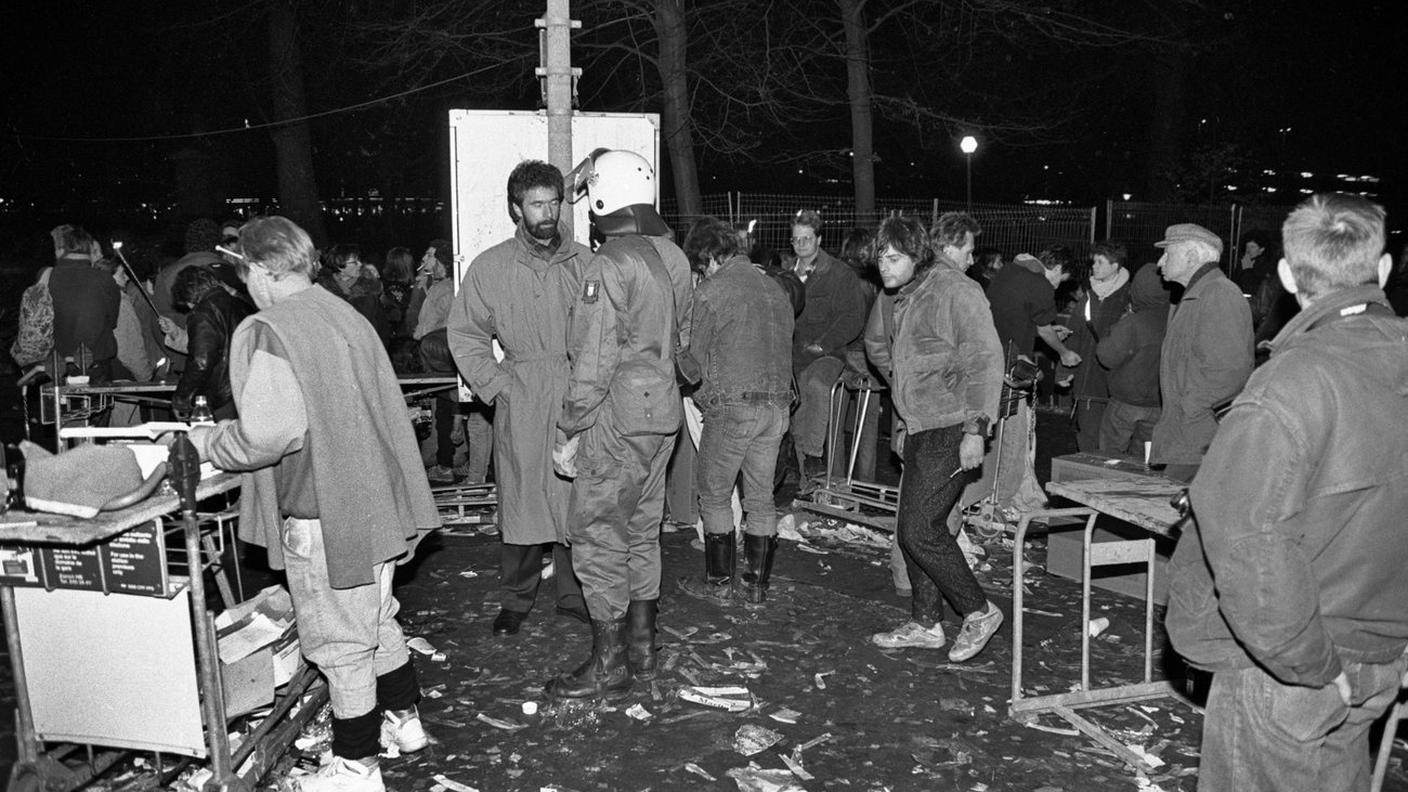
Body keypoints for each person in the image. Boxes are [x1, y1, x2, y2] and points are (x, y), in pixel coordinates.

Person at [1166, 193, 1408, 791]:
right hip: (1382, 651)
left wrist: (1312, 666)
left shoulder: (1291, 384)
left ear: (1284, 275)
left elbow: (1252, 547)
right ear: (1382, 270)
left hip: (1294, 664)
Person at [189, 216, 439, 792]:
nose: (245, 285)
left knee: (338, 643)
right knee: (376, 621)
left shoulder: (271, 329)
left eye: (244, 272)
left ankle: (356, 767)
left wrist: (205, 441)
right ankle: (404, 724)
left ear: (259, 268)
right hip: (378, 502)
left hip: (327, 512)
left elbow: (269, 436)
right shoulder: (341, 311)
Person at [549, 149, 692, 700]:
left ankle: (607, 663)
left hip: (617, 418)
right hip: (664, 416)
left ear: (604, 196)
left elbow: (592, 360)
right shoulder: (673, 256)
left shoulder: (609, 262)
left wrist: (570, 429)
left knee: (596, 533)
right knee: (641, 532)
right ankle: (643, 655)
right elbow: (682, 340)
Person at [447, 160, 591, 636]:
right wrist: (498, 386)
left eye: (554, 202)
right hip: (524, 392)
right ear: (516, 208)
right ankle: (516, 599)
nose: (548, 213)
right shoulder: (492, 267)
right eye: (536, 204)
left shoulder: (586, 263)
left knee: (576, 497)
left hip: (575, 390)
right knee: (523, 498)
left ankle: (574, 594)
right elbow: (465, 333)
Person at [865, 214, 1005, 661]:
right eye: (880, 259)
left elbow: (985, 362)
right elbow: (905, 366)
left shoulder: (955, 291)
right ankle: (926, 623)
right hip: (924, 425)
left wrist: (975, 432)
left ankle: (978, 611)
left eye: (893, 258)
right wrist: (906, 424)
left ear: (917, 255)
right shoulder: (909, 295)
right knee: (914, 532)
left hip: (952, 424)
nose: (883, 267)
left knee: (920, 529)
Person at [676, 217, 793, 606]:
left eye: (699, 266)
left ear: (707, 258)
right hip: (776, 407)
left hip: (734, 407)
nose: (700, 273)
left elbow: (693, 361)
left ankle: (719, 586)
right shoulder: (776, 289)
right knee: (760, 498)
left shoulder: (713, 290)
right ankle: (756, 588)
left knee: (714, 494)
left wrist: (702, 395)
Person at [1149, 223, 1253, 481]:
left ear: (1192, 257)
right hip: (1191, 436)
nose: (1160, 262)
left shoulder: (1218, 294)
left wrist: (1188, 411)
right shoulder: (1200, 294)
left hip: (1199, 440)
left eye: (1168, 253)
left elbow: (1227, 373)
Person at [785, 210, 869, 492]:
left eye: (806, 239)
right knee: (798, 413)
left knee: (817, 386)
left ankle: (812, 457)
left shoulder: (839, 274)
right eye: (796, 239)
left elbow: (853, 317)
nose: (801, 245)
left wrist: (824, 343)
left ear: (818, 239)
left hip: (827, 353)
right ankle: (809, 485)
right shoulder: (786, 275)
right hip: (794, 356)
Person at [1060, 241, 1132, 452]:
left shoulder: (1129, 299)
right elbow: (1074, 334)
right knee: (1089, 437)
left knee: (1115, 443)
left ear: (1115, 265)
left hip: (1117, 384)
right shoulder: (1088, 298)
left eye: (1100, 262)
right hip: (1089, 380)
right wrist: (1064, 371)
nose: (1094, 266)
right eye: (1094, 262)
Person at [1094, 263, 1168, 458]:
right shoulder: (1176, 319)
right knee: (1144, 460)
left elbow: (1107, 357)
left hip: (1125, 402)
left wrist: (1112, 331)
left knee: (1111, 456)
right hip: (1158, 404)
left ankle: (1107, 486)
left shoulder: (1133, 323)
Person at [170, 265, 253, 421]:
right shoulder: (239, 304)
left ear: (190, 294)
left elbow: (201, 361)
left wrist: (181, 398)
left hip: (221, 396)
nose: (188, 307)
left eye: (187, 302)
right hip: (244, 389)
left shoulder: (204, 313)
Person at [47, 225, 121, 382]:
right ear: (89, 249)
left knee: (62, 405)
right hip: (96, 361)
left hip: (56, 362)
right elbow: (112, 321)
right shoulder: (103, 279)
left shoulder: (47, 277)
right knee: (96, 405)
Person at [318, 244, 388, 341]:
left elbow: (381, 325)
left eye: (359, 260)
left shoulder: (368, 287)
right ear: (340, 266)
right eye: (354, 262)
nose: (360, 264)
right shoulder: (324, 292)